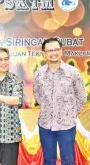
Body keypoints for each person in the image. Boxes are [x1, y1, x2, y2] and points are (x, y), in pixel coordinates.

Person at [33, 37, 87, 165]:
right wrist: (48, 108)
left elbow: (81, 96)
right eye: (49, 50)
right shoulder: (39, 74)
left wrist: (71, 113)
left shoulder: (72, 72)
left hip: (67, 125)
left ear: (61, 51)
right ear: (44, 53)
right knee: (49, 161)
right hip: (46, 125)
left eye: (56, 49)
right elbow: (38, 95)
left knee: (68, 161)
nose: (53, 53)